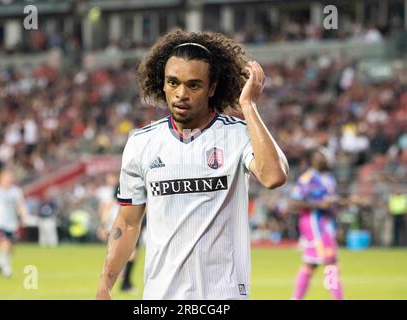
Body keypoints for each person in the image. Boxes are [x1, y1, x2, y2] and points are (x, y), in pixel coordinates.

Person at [96, 29, 288, 300]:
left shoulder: (237, 135)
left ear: (212, 88)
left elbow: (274, 176)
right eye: (173, 83)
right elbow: (127, 224)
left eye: (193, 85)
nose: (181, 94)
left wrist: (248, 106)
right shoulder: (141, 143)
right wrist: (105, 285)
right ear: (162, 84)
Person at [290, 147, 344, 300]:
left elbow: (331, 203)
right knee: (331, 264)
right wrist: (319, 205)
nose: (322, 158)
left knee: (310, 264)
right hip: (314, 225)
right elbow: (294, 202)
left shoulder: (329, 178)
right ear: (312, 160)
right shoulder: (307, 178)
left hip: (327, 224)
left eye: (324, 156)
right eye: (318, 156)